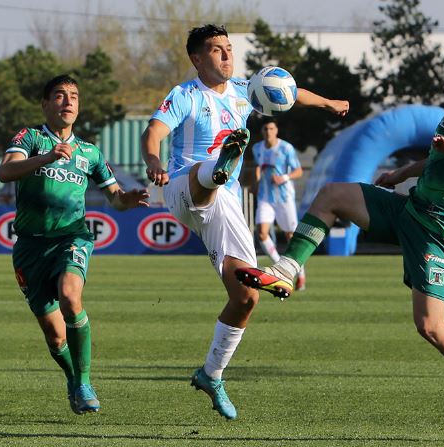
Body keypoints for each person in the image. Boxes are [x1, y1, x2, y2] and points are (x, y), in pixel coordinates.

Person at [237, 38, 444, 439]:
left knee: (431, 326)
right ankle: (286, 270)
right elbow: (441, 158)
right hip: (412, 209)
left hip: (439, 230)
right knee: (331, 195)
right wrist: (403, 173)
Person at [141, 24, 348, 420]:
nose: (225, 55)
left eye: (229, 49)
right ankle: (220, 166)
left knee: (245, 297)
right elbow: (155, 131)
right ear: (197, 59)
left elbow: (289, 93)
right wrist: (153, 161)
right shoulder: (185, 95)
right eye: (215, 50)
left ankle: (211, 374)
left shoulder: (242, 90)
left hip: (226, 204)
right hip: (182, 186)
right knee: (209, 171)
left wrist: (327, 103)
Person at [0, 74, 149, 414]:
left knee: (70, 296)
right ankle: (72, 379)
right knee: (54, 337)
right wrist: (47, 158)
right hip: (30, 248)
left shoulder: (89, 152)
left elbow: (115, 199)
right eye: (60, 95)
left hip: (72, 237)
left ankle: (84, 381)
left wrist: (129, 197)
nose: (68, 102)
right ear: (45, 104)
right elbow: (5, 172)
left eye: (74, 97)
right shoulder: (31, 138)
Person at [252, 118, 306, 290]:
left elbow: (298, 170)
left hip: (284, 198)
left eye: (271, 128)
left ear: (276, 131)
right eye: (266, 129)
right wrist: (256, 180)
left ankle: (301, 274)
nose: (268, 132)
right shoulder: (257, 148)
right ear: (262, 131)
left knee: (291, 237)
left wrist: (284, 177)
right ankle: (279, 268)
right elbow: (258, 167)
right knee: (261, 233)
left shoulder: (286, 148)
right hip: (265, 197)